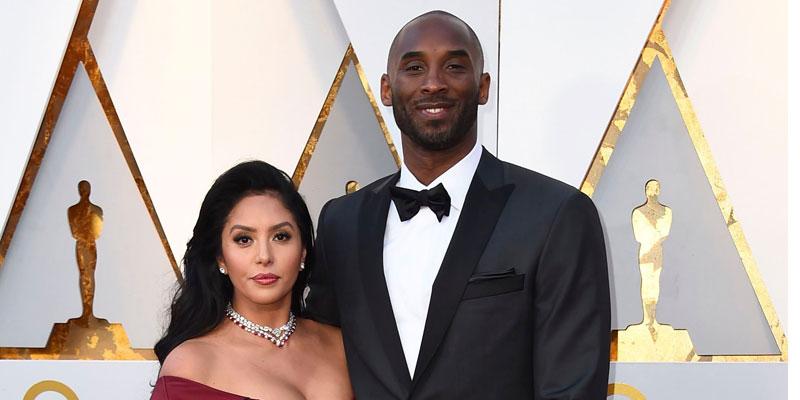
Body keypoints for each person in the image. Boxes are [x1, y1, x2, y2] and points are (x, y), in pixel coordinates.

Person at [305, 10, 611, 399]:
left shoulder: (555, 214)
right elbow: (315, 354)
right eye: (414, 67)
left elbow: (572, 388)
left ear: (483, 87)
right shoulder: (341, 222)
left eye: (454, 67)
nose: (433, 83)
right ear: (386, 89)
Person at [152, 161, 352, 399]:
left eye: (281, 236)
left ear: (303, 251)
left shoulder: (343, 346)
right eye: (244, 239)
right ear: (221, 258)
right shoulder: (192, 364)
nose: (264, 257)